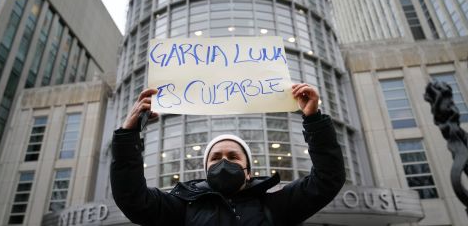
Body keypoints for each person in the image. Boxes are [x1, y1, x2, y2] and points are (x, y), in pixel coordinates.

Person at [111, 83, 345, 226]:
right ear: (205, 171)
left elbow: (327, 179)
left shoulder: (276, 206)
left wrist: (314, 120)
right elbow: (132, 198)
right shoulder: (181, 209)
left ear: (249, 172)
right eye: (215, 157)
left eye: (233, 157)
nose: (224, 162)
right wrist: (128, 134)